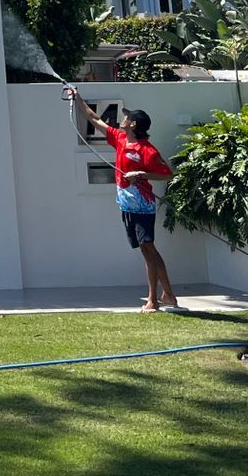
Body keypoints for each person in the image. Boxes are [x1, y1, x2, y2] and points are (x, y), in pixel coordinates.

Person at [65, 88, 179, 312]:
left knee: (148, 250)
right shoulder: (119, 138)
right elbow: (93, 118)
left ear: (134, 124)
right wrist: (76, 97)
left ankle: (153, 300)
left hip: (142, 204)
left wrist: (141, 175)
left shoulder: (147, 150)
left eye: (127, 117)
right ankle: (168, 295)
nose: (123, 119)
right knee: (148, 249)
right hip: (127, 203)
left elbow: (167, 174)